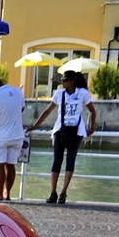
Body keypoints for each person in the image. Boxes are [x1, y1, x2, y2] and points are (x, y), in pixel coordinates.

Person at [27, 70, 96, 204]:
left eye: (65, 80)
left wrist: (92, 127)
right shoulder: (59, 94)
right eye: (62, 80)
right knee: (57, 160)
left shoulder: (82, 93)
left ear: (72, 81)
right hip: (60, 129)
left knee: (70, 160)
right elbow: (48, 111)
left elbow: (92, 110)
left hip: (77, 130)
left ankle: (64, 192)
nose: (63, 83)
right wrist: (35, 126)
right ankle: (53, 191)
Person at [0, 74, 25, 200]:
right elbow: (22, 108)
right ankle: (8, 194)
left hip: (1, 135)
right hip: (17, 134)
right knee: (11, 165)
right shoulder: (18, 92)